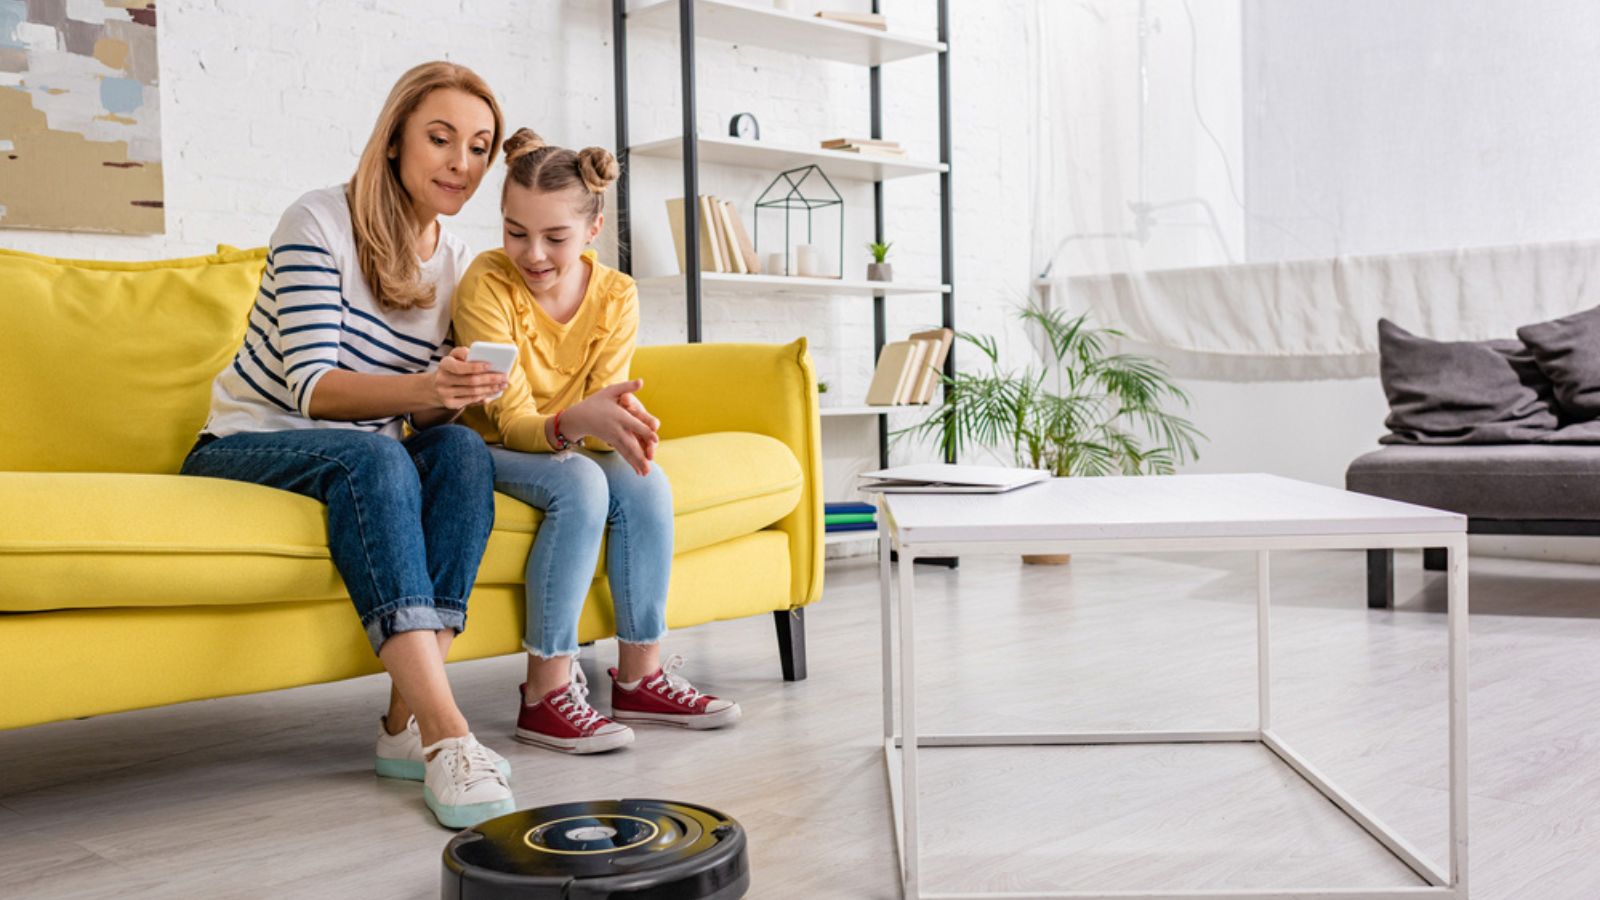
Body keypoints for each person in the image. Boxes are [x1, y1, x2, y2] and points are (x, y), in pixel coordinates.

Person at [180, 62, 515, 828]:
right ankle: (449, 732)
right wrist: (428, 390)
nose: (460, 163)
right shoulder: (319, 221)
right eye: (439, 138)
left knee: (461, 454)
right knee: (375, 452)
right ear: (394, 139)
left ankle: (402, 726)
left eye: (477, 147)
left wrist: (457, 395)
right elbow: (311, 388)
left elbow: (426, 424)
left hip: (368, 453)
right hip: (250, 443)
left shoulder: (458, 263)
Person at [451, 128, 741, 755]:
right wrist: (582, 423)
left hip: (566, 440)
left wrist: (620, 424)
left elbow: (601, 400)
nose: (532, 254)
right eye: (514, 231)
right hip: (487, 444)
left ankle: (641, 676)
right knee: (579, 480)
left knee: (644, 476)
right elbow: (512, 421)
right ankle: (545, 693)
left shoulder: (615, 294)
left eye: (554, 237)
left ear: (593, 229)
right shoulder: (486, 284)